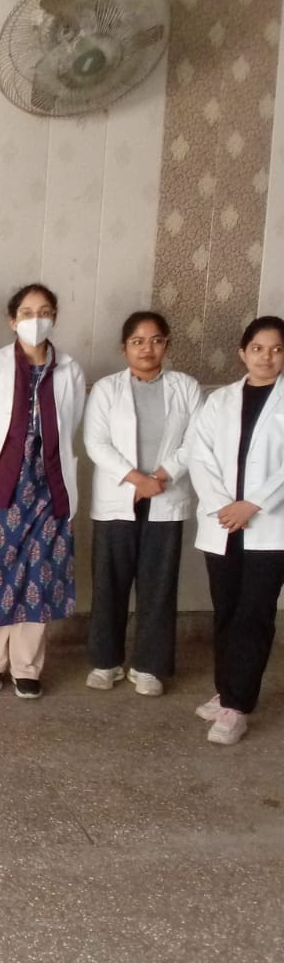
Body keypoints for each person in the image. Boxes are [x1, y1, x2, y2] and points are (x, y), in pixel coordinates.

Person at [0, 283, 85, 698]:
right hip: (0, 485)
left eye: (44, 311)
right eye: (27, 313)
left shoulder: (70, 371)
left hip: (48, 487)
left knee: (39, 576)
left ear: (55, 318)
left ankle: (27, 666)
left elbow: (70, 424)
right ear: (12, 321)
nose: (36, 320)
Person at [83, 312, 203, 696]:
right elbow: (96, 443)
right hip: (118, 498)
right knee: (109, 583)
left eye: (156, 340)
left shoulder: (186, 387)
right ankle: (106, 662)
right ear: (124, 348)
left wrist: (161, 477)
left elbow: (196, 441)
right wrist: (137, 480)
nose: (147, 348)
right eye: (138, 341)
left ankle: (149, 666)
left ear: (166, 344)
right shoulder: (106, 389)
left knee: (159, 585)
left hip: (166, 497)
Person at [188, 316, 284, 746]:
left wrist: (253, 504)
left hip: (270, 527)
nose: (267, 357)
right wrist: (223, 506)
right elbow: (199, 455)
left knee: (254, 615)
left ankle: (237, 707)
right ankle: (227, 690)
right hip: (223, 523)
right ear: (243, 352)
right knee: (226, 610)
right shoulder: (220, 401)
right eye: (258, 348)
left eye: (277, 349)